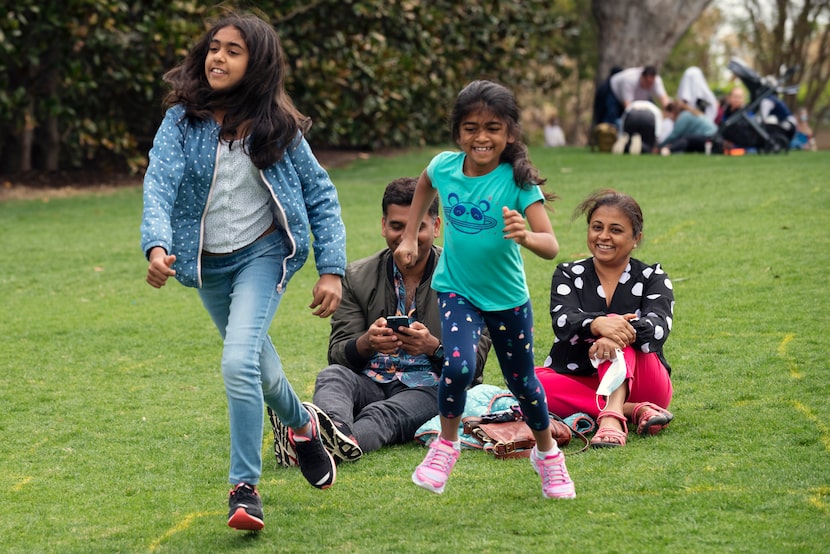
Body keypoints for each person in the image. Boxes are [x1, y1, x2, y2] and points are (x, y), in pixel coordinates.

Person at [140, 12, 346, 532]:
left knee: (237, 363)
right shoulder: (181, 121)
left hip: (264, 255)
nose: (218, 57)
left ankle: (244, 488)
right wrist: (157, 244)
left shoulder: (278, 126)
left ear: (257, 64)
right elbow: (158, 184)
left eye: (234, 50)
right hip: (207, 263)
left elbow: (321, 195)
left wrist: (332, 269)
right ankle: (303, 427)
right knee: (259, 366)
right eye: (214, 47)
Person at [394, 80, 575, 499]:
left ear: (509, 132)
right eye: (471, 127)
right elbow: (424, 183)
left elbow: (551, 246)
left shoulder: (516, 181)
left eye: (492, 127)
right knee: (457, 366)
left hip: (507, 298)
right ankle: (447, 445)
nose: (481, 137)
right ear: (458, 132)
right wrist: (408, 235)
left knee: (524, 384)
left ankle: (548, 456)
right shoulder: (444, 166)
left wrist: (526, 235)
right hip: (456, 288)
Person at [270, 177, 491, 465]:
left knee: (381, 416)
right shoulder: (357, 276)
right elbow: (337, 354)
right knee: (332, 377)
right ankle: (327, 440)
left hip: (430, 387)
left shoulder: (466, 280)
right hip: (370, 381)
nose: (405, 237)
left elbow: (474, 364)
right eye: (397, 226)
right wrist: (366, 343)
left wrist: (432, 347)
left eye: (417, 227)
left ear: (436, 227)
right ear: (383, 225)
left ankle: (313, 448)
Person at [535, 189, 675, 449]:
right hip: (582, 381)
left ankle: (612, 417)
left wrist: (615, 330)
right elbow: (563, 321)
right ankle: (633, 410)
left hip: (646, 383)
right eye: (596, 227)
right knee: (527, 385)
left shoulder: (653, 276)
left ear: (636, 238)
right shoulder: (568, 273)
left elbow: (658, 329)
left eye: (616, 230)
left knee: (615, 327)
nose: (604, 236)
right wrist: (598, 325)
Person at [606, 66, 671, 127]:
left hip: (639, 99)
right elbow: (628, 107)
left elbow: (664, 100)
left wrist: (670, 113)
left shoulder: (656, 81)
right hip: (615, 94)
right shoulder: (629, 80)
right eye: (647, 83)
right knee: (613, 118)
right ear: (642, 77)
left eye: (651, 83)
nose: (649, 86)